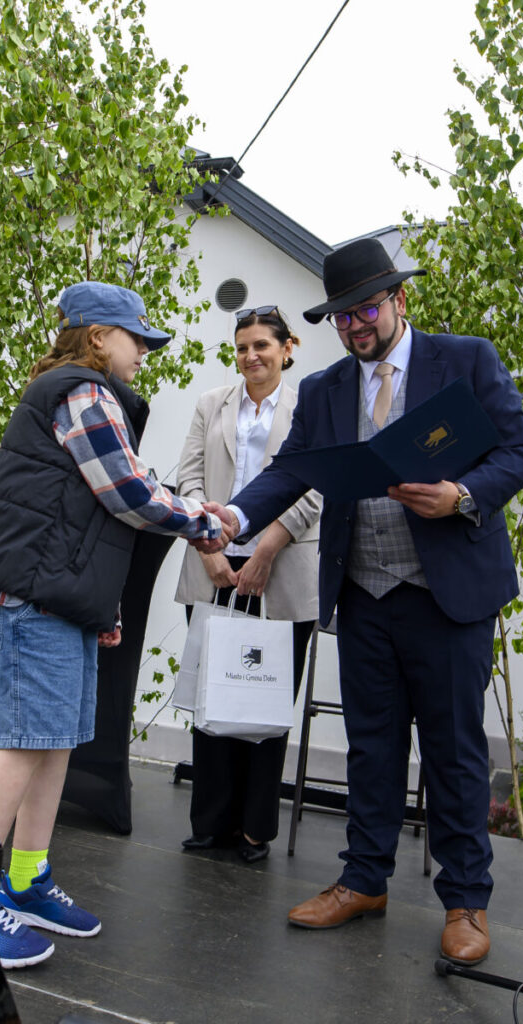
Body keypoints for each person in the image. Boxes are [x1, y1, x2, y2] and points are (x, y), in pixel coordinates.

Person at [200, 238, 523, 965]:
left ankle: (465, 900)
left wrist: (462, 495)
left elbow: (521, 452)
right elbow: (289, 473)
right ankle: (363, 879)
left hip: (447, 595)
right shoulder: (324, 390)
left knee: (453, 750)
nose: (355, 326)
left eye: (366, 310)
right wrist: (235, 515)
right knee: (373, 745)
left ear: (398, 301)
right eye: (342, 317)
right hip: (362, 592)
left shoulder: (466, 360)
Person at [0, 281, 223, 969]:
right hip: (30, 601)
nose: (144, 352)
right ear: (98, 336)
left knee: (52, 746)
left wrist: (102, 607)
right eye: (137, 338)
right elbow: (128, 492)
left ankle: (25, 882)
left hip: (60, 601)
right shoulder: (83, 391)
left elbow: (86, 518)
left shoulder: (86, 393)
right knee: (21, 746)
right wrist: (201, 521)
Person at [174, 306, 320, 862]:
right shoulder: (211, 404)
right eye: (242, 347)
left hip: (282, 572)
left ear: (287, 348)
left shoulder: (311, 407)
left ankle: (255, 830)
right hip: (212, 566)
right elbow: (189, 478)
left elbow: (317, 486)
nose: (251, 356)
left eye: (262, 345)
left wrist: (265, 549)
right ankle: (211, 824)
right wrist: (208, 547)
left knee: (265, 703)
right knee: (213, 696)